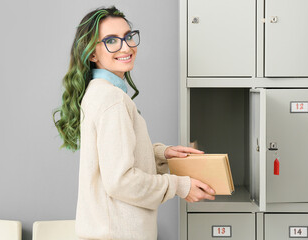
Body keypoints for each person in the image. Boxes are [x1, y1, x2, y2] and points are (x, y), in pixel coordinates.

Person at [53, 6, 215, 240]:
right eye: (111, 41)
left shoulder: (99, 92)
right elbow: (121, 181)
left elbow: (114, 155)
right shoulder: (112, 100)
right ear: (92, 54)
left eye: (128, 36)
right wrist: (180, 186)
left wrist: (162, 154)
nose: (126, 47)